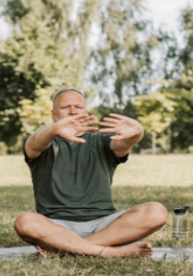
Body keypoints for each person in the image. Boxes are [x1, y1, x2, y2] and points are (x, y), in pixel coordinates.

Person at [14, 88, 168, 257]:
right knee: (25, 222)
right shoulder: (45, 142)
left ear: (85, 112)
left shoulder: (102, 141)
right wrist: (54, 129)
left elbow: (124, 144)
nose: (73, 110)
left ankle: (68, 248)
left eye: (78, 107)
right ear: (54, 115)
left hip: (104, 225)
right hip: (56, 226)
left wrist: (138, 133)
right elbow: (35, 143)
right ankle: (111, 252)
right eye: (65, 107)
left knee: (157, 211)